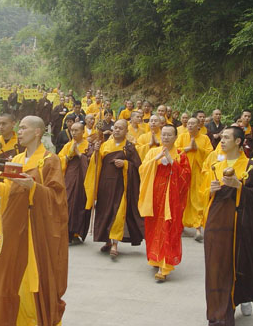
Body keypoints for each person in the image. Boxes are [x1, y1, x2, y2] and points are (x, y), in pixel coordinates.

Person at [0, 116, 68, 326]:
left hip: (36, 230)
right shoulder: (16, 160)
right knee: (6, 277)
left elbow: (58, 198)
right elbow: (9, 192)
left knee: (34, 275)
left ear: (38, 132)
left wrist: (34, 187)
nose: (19, 132)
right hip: (13, 226)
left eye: (23, 128)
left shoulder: (50, 160)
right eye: (19, 128)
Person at [201, 126, 253, 324]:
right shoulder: (217, 165)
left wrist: (239, 187)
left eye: (226, 138)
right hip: (216, 221)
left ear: (238, 141)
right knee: (215, 265)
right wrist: (210, 190)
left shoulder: (250, 166)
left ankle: (239, 298)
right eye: (222, 138)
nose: (222, 141)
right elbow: (202, 195)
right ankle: (218, 311)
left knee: (236, 264)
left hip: (238, 224)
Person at [84, 119, 144, 258]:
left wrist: (125, 164)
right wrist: (97, 152)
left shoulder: (129, 147)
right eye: (115, 127)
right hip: (105, 185)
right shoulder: (105, 145)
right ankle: (107, 241)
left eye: (120, 128)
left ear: (126, 131)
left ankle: (115, 243)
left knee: (118, 212)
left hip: (121, 186)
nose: (117, 130)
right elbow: (96, 164)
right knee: (105, 212)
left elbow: (137, 166)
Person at [138, 125, 191, 282]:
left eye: (170, 135)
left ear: (176, 137)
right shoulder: (153, 151)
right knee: (154, 228)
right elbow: (142, 169)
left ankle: (164, 266)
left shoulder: (181, 154)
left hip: (172, 198)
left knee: (168, 227)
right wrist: (156, 161)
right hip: (155, 195)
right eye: (164, 134)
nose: (166, 137)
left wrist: (172, 163)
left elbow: (186, 176)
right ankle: (156, 258)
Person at [175, 117, 213, 241]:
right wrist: (187, 149)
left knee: (197, 199)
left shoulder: (205, 138)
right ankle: (180, 225)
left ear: (198, 126)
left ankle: (197, 228)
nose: (190, 125)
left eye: (193, 124)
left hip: (197, 173)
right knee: (182, 198)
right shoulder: (181, 137)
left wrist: (198, 149)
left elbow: (210, 154)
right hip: (183, 173)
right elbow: (174, 152)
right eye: (189, 123)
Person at [58, 122, 92, 244]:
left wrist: (78, 153)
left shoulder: (89, 145)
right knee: (67, 202)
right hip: (70, 177)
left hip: (83, 178)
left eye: (77, 130)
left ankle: (76, 233)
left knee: (79, 203)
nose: (74, 133)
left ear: (83, 131)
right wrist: (67, 157)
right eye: (72, 130)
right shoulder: (68, 145)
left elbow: (91, 162)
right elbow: (59, 159)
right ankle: (66, 232)